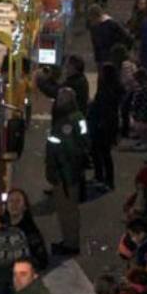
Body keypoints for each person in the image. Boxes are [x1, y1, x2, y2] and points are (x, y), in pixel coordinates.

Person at [46, 87, 88, 256]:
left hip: (65, 174)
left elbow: (65, 149)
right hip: (74, 171)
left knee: (66, 210)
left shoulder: (65, 122)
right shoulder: (78, 117)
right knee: (70, 209)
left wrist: (56, 171)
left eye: (60, 98)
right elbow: (83, 143)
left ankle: (70, 244)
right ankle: (70, 240)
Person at [89, 63, 122, 191]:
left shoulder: (106, 91)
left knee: (101, 152)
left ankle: (104, 179)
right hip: (108, 125)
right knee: (102, 152)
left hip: (103, 125)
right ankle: (103, 178)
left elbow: (102, 108)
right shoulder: (113, 89)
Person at [3, 189, 49, 271]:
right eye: (11, 201)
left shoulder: (30, 231)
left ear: (25, 207)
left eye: (18, 201)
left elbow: (41, 260)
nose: (14, 204)